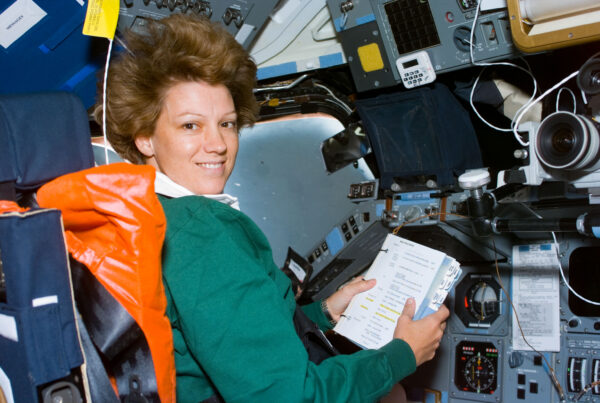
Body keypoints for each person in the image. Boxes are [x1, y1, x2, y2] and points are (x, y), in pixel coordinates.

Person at [95, 13, 449, 403]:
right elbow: (288, 397)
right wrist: (402, 354)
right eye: (190, 126)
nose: (217, 144)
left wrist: (324, 313)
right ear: (145, 137)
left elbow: (226, 337)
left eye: (227, 124)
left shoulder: (151, 214)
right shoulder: (202, 232)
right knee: (394, 394)